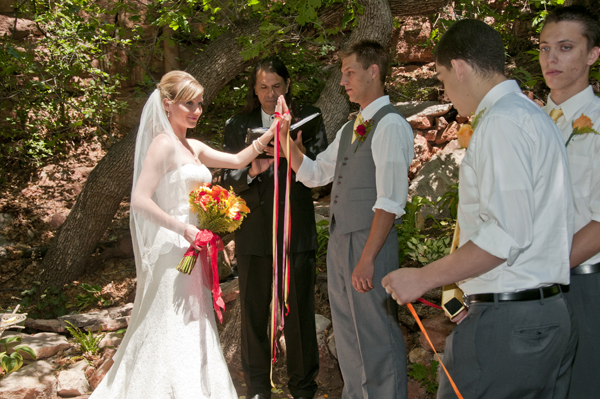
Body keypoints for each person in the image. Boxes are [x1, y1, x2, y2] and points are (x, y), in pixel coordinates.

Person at [381, 19, 578, 399]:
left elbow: (505, 234)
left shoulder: (503, 122)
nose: (446, 90)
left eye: (442, 77)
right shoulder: (533, 116)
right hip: (543, 315)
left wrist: (423, 277)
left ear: (459, 67)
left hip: (511, 327)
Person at [89, 70, 285, 399]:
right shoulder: (163, 146)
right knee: (171, 322)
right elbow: (139, 199)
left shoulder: (191, 145)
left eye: (200, 103)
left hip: (196, 250)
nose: (196, 110)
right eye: (188, 104)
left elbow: (238, 159)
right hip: (173, 250)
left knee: (195, 322)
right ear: (167, 105)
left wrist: (272, 132)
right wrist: (184, 227)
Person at [276, 41, 413, 399]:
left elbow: (390, 200)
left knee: (375, 334)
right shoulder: (352, 126)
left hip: (370, 244)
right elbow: (316, 173)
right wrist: (284, 137)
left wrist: (367, 259)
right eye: (342, 73)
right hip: (340, 244)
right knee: (349, 333)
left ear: (374, 71)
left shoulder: (391, 125)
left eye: (350, 72)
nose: (343, 81)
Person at [221, 57, 328, 399]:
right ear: (254, 90)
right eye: (263, 87)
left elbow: (320, 175)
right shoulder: (238, 125)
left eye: (277, 87)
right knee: (253, 310)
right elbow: (228, 178)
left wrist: (294, 153)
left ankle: (303, 387)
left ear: (288, 85)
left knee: (298, 312)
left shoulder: (309, 118)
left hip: (295, 233)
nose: (270, 94)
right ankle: (256, 388)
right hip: (253, 232)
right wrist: (253, 168)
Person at [539, 6, 600, 398]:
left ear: (593, 54)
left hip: (584, 284)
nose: (551, 59)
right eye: (545, 48)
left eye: (565, 47)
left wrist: (544, 268)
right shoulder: (531, 120)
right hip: (533, 284)